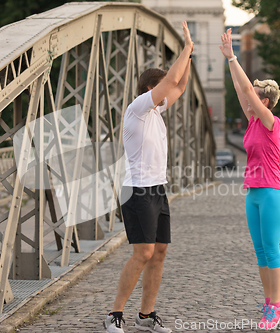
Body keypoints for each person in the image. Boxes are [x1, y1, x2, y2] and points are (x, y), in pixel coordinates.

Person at [103, 22, 194, 333]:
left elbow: (179, 86)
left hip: (157, 189)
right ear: (149, 90)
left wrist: (190, 56)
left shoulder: (156, 112)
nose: (168, 92)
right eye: (161, 89)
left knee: (160, 252)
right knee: (142, 252)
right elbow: (171, 80)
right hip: (137, 189)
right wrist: (183, 49)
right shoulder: (138, 108)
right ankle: (114, 314)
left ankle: (146, 315)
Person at [219, 28, 280, 330]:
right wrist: (228, 62)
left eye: (257, 97)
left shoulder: (271, 122)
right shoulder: (251, 123)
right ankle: (268, 300)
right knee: (259, 250)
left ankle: (277, 304)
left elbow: (247, 91)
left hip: (272, 191)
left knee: (272, 248)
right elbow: (240, 89)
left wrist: (234, 56)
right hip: (254, 192)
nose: (251, 100)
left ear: (266, 102)